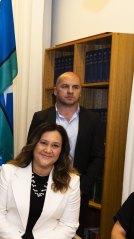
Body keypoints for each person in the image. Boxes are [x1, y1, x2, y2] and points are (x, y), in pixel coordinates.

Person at [0, 122, 80, 239]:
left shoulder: (72, 182)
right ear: (34, 144)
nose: (48, 150)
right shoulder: (8, 172)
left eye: (55, 145)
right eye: (43, 143)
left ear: (61, 151)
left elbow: (68, 225)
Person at [28, 72, 104, 209]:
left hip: (78, 189)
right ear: (56, 91)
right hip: (43, 184)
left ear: (80, 92)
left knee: (72, 228)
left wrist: (83, 187)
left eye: (75, 87)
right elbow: (31, 151)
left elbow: (98, 157)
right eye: (65, 86)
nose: (70, 91)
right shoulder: (41, 117)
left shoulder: (93, 120)